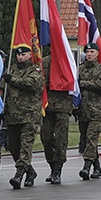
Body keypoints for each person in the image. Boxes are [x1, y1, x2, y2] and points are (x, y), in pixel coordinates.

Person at [3, 45, 43, 189]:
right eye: (18, 55)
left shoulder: (35, 70)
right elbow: (4, 87)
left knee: (25, 146)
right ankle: (30, 172)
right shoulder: (11, 69)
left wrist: (11, 79)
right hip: (13, 115)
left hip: (29, 115)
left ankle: (19, 175)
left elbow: (31, 84)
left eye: (23, 55)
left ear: (29, 55)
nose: (20, 57)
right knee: (13, 147)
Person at [77, 43, 101, 180]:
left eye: (92, 51)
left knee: (91, 138)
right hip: (83, 111)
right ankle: (97, 167)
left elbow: (99, 85)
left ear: (97, 54)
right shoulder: (80, 69)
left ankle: (86, 166)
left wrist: (82, 83)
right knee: (87, 140)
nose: (89, 54)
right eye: (87, 51)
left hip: (96, 111)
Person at [40, 51, 73, 185]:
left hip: (62, 106)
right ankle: (52, 165)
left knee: (60, 139)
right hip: (48, 106)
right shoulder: (44, 61)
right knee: (46, 138)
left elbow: (72, 81)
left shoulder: (68, 61)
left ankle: (58, 169)